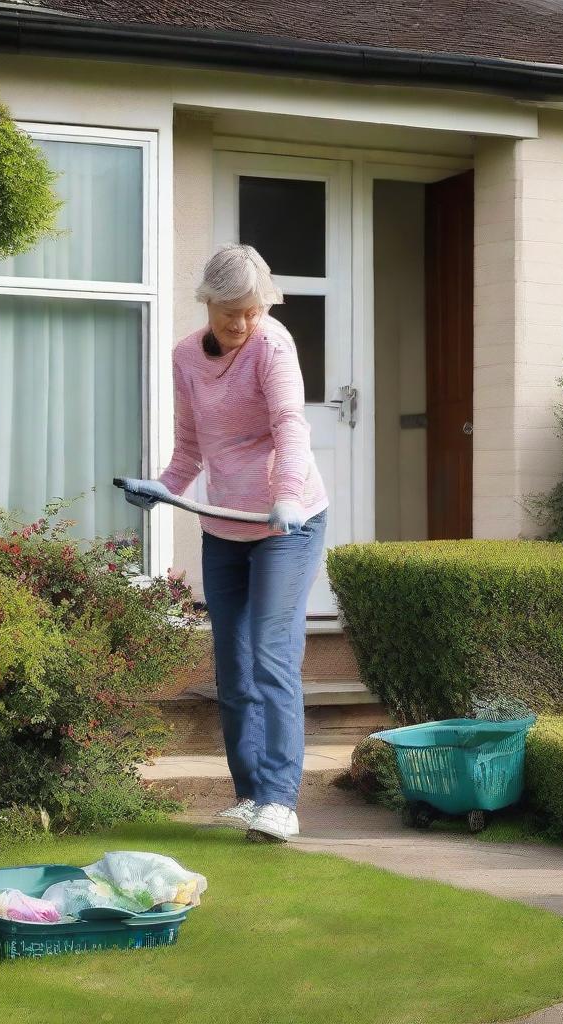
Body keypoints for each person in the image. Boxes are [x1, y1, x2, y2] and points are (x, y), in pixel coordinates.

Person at [123, 244, 328, 843]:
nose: (241, 324)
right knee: (234, 670)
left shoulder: (272, 343)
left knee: (271, 657)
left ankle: (281, 802)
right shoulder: (186, 355)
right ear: (207, 303)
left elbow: (290, 424)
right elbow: (191, 445)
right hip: (223, 526)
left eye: (252, 310)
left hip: (288, 525)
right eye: (229, 312)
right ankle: (251, 797)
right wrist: (161, 488)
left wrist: (287, 493)